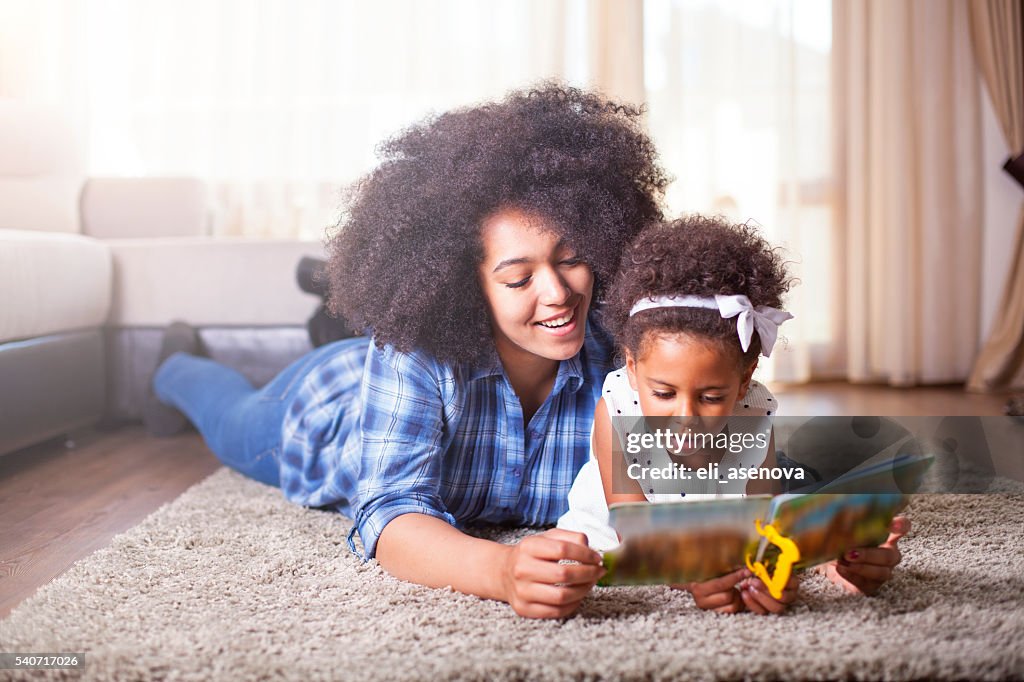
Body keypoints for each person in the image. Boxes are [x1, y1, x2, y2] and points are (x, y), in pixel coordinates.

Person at [144, 83, 668, 619]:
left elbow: (696, 484)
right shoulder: (418, 350)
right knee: (227, 413)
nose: (558, 293)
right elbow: (389, 509)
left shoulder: (630, 354)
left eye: (571, 258)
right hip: (327, 405)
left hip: (387, 363)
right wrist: (503, 571)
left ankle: (326, 309)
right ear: (466, 287)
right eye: (518, 279)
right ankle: (173, 362)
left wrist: (736, 557)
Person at [556, 215, 909, 614]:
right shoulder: (616, 408)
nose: (685, 415)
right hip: (617, 545)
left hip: (722, 540)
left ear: (744, 382)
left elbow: (764, 519)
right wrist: (695, 576)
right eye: (663, 393)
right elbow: (635, 536)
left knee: (848, 496)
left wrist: (775, 572)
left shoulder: (753, 413)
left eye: (710, 397)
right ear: (633, 368)